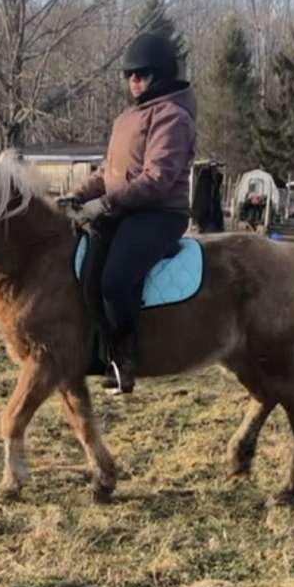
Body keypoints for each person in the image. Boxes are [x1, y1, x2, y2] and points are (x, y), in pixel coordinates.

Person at [69, 31, 196, 394]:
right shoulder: (127, 118)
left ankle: (125, 357)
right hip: (124, 209)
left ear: (161, 75)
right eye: (129, 75)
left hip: (159, 213)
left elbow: (157, 178)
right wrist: (77, 196)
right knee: (87, 274)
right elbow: (108, 172)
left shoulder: (173, 116)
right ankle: (100, 352)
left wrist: (106, 204)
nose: (133, 81)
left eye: (141, 74)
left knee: (115, 279)